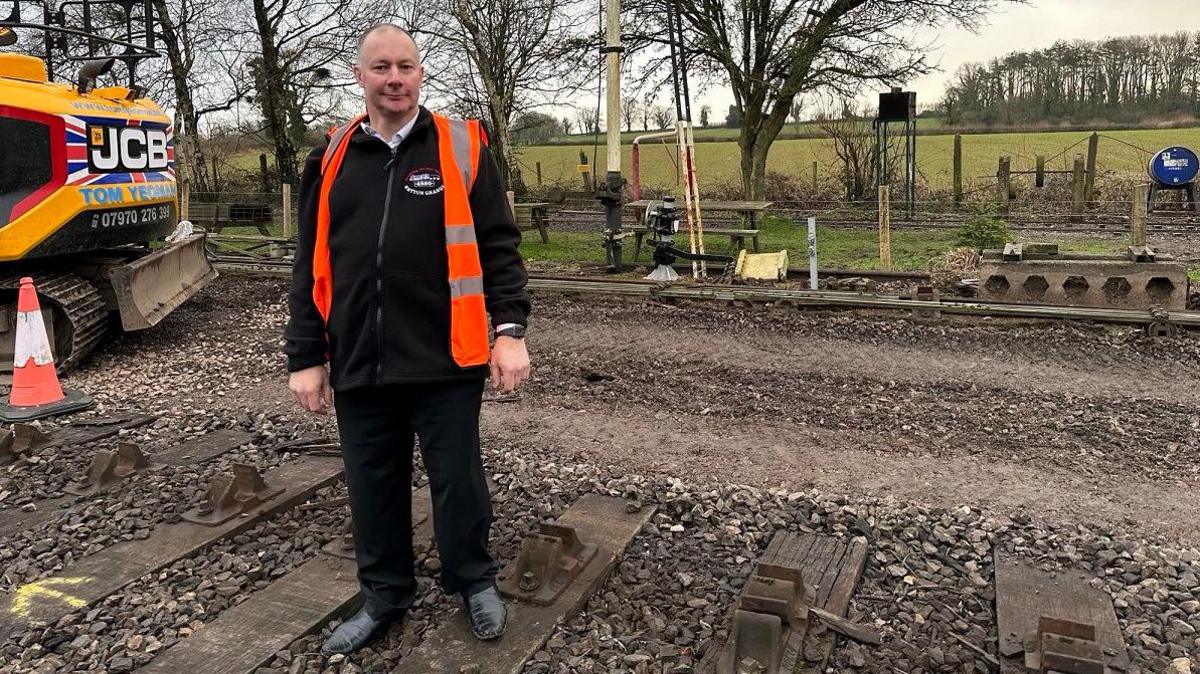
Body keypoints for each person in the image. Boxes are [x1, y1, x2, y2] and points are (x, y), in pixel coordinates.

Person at [284, 23, 530, 656]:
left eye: (406, 66)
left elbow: (499, 246)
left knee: (458, 480)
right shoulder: (331, 156)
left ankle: (473, 581)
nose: (394, 78)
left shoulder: (461, 144)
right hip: (360, 356)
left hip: (447, 353)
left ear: (421, 74)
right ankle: (384, 596)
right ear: (360, 77)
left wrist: (510, 332)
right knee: (372, 482)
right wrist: (307, 354)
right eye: (381, 67)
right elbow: (310, 260)